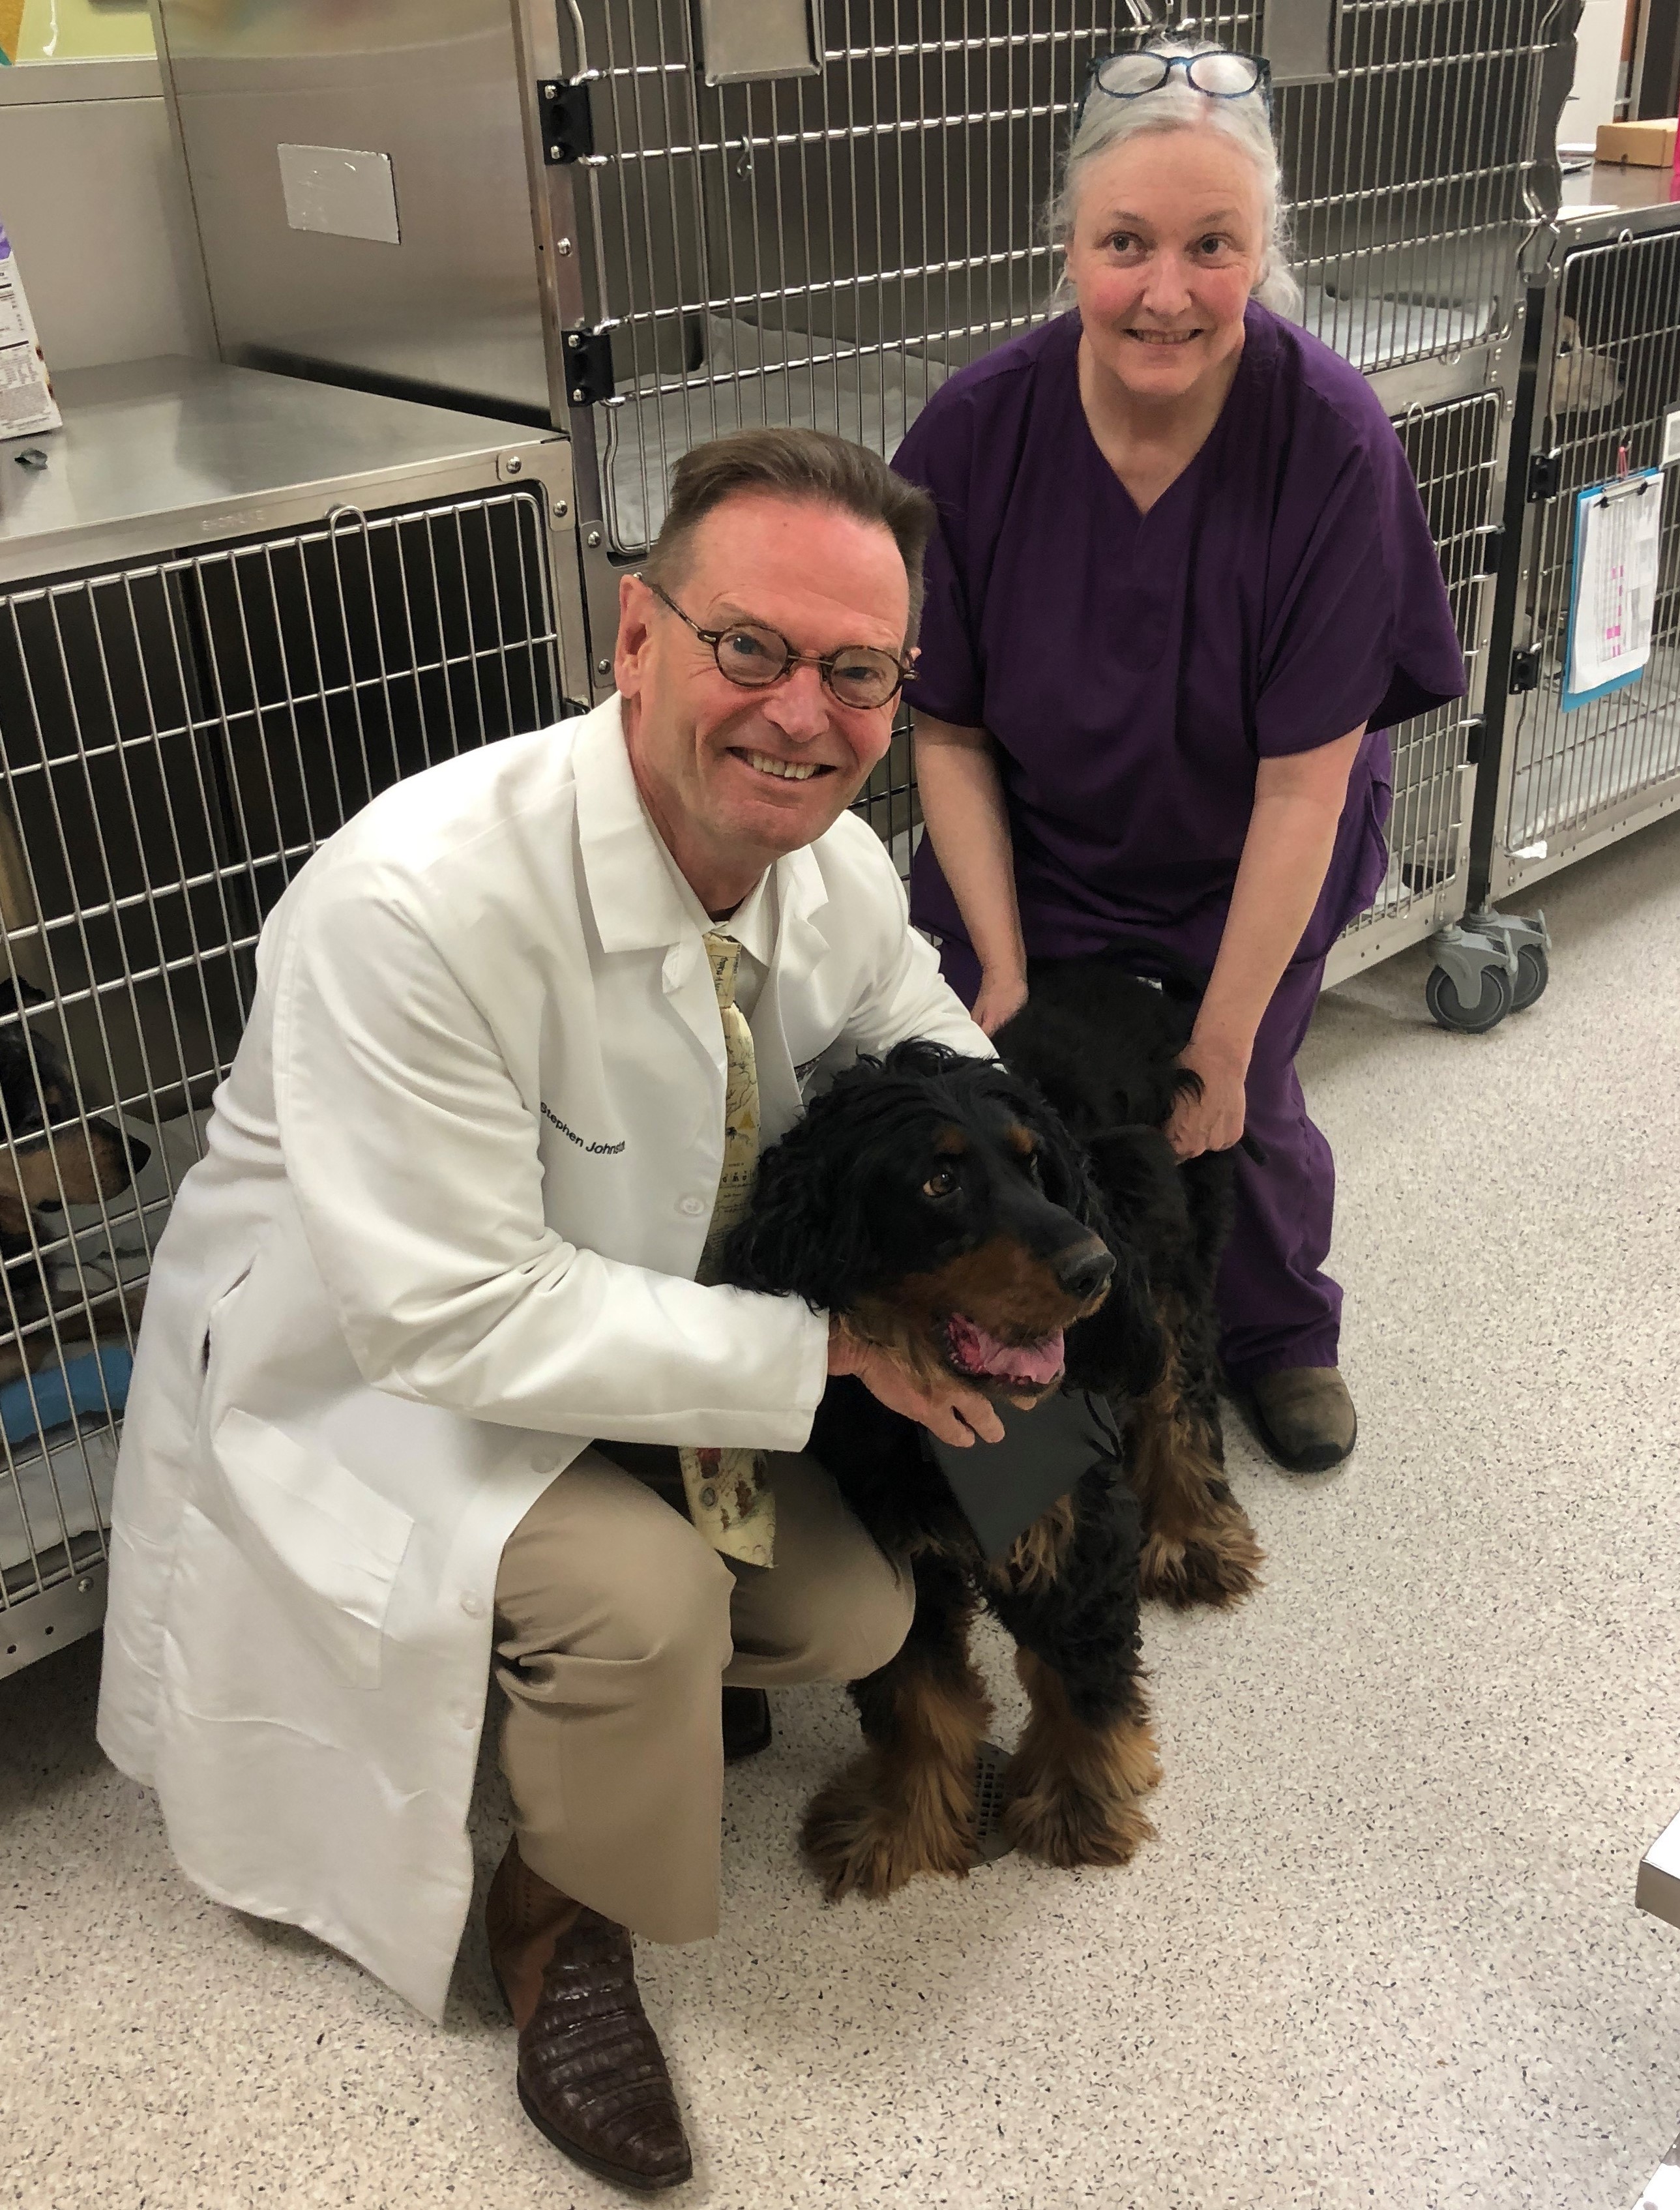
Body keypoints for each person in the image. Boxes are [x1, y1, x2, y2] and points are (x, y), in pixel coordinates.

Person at [95, 428, 1006, 2194]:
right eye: (751, 646)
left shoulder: (830, 870)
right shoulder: (421, 900)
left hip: (636, 1321)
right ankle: (557, 1922)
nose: (802, 713)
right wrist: (826, 1349)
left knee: (849, 1602)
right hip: (374, 1366)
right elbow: (449, 1315)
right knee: (646, 1602)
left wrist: (1032, 1257)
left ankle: (585, 1732)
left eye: (859, 672)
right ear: (637, 638)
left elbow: (935, 1057)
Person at [894, 41, 1466, 1475]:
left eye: (1214, 247)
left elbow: (1303, 786)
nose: (1167, 290)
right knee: (997, 1093)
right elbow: (946, 730)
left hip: (1251, 843)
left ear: (1266, 248)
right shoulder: (975, 431)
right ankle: (1015, 1354)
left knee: (1245, 1105)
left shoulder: (1331, 439)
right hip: (1025, 831)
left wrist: (1217, 1034)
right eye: (1126, 244)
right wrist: (1007, 972)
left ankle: (1281, 1334)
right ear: (1070, 247)